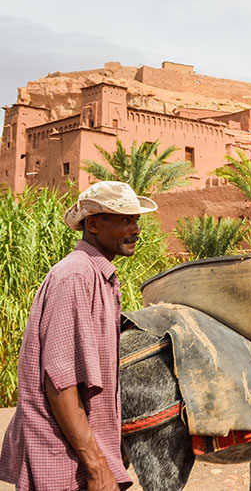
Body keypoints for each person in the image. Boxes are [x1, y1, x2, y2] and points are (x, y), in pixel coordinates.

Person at [0, 181, 158, 491]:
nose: (136, 228)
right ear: (94, 224)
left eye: (136, 219)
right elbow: (59, 382)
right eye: (125, 219)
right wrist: (97, 465)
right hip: (64, 459)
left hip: (80, 454)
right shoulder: (75, 276)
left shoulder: (98, 276)